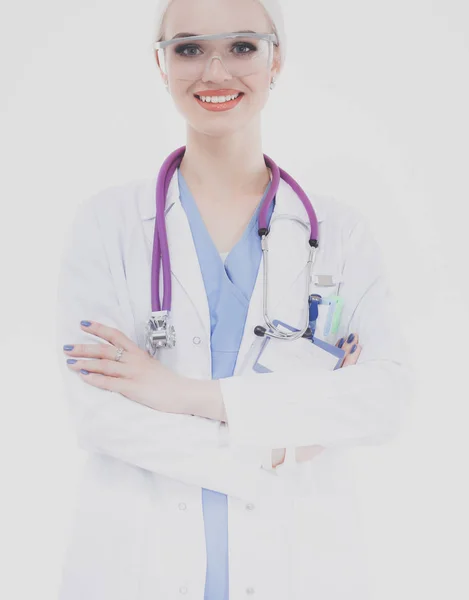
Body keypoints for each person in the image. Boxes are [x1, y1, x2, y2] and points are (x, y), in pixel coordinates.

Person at [54, 0, 414, 598]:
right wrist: (284, 442)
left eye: (242, 46)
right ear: (161, 64)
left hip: (299, 561)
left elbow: (385, 399)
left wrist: (185, 396)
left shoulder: (339, 233)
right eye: (189, 48)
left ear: (276, 62)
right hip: (138, 564)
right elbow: (100, 415)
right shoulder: (108, 225)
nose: (215, 72)